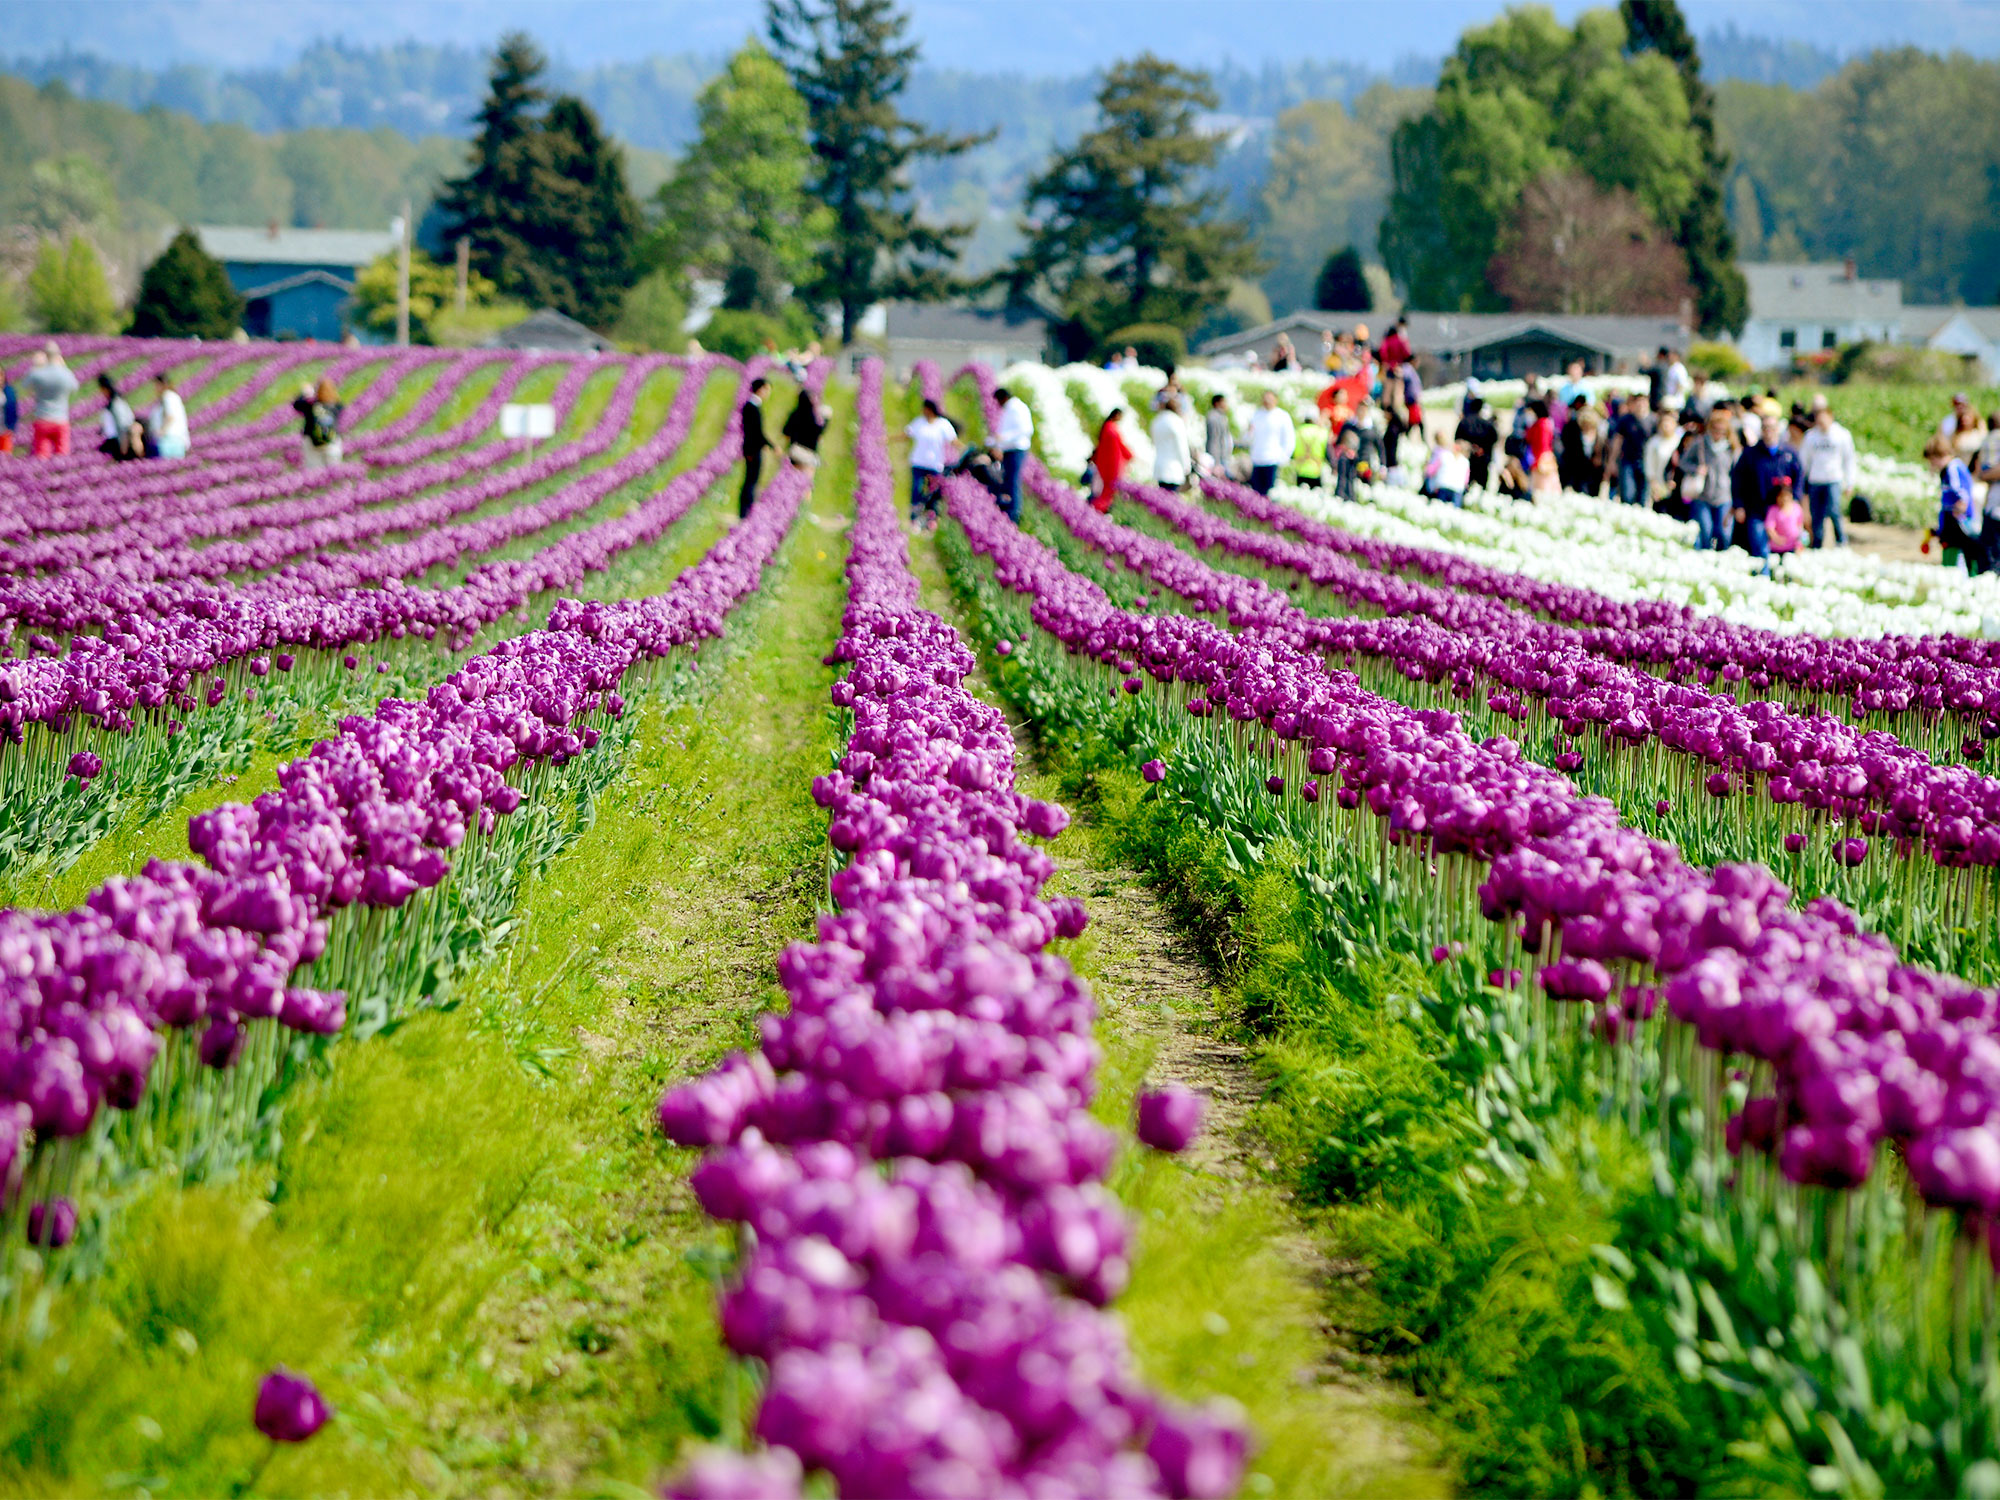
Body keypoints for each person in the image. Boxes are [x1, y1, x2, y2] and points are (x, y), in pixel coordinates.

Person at [1671, 408, 1735, 551]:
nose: (1718, 434)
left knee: (1723, 533)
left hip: (1724, 495)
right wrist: (1696, 469)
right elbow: (1683, 463)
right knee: (1706, 531)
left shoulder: (1731, 447)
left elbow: (1737, 472)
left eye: (1722, 431)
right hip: (1702, 495)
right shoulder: (1699, 444)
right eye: (1716, 430)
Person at [1797, 397, 1856, 549]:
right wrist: (1802, 481)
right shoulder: (1811, 436)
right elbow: (1804, 460)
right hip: (1816, 480)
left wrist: (1849, 482)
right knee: (1817, 515)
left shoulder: (1841, 435)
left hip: (1833, 478)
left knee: (1834, 510)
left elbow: (1849, 459)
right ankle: (1817, 544)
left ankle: (1840, 541)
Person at [1732, 414, 1777, 576]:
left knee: (1780, 550)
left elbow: (1798, 480)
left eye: (1772, 428)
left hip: (1779, 512)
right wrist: (1738, 505)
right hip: (1755, 510)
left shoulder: (1786, 454)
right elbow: (1737, 481)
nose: (1768, 432)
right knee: (1760, 548)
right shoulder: (1750, 454)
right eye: (1765, 428)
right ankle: (1763, 580)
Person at [1928, 434, 1980, 572]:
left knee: (1957, 553)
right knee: (1959, 553)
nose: (1932, 465)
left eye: (1932, 460)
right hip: (1951, 519)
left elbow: (1960, 492)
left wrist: (1959, 509)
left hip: (1957, 521)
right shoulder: (1951, 468)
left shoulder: (1952, 467)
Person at [906, 397, 956, 528]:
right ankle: (915, 516)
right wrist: (887, 439)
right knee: (917, 488)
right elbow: (906, 434)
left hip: (935, 464)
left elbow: (953, 440)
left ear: (929, 409)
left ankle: (931, 517)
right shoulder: (919, 422)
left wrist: (967, 449)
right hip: (918, 462)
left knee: (933, 491)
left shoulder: (943, 424)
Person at [25, 343, 78, 458]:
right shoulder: (65, 373)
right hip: (61, 419)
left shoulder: (37, 373)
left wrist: (37, 365)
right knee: (62, 455)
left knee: (41, 456)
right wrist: (63, 366)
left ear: (45, 355)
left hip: (42, 418)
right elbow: (75, 387)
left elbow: (26, 386)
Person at [993, 385, 1033, 524]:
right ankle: (1009, 511)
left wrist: (1003, 438)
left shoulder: (1016, 408)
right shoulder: (1010, 408)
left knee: (1014, 481)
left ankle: (1014, 514)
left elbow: (1025, 429)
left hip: (1016, 449)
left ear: (1003, 398)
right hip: (1010, 449)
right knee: (1009, 481)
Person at [1246, 389, 1295, 495]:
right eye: (1265, 399)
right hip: (1257, 459)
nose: (1267, 401)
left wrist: (1283, 457)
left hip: (1272, 459)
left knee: (1270, 493)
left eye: (1270, 399)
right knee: (1256, 493)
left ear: (1276, 400)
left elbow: (1289, 439)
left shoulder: (1282, 416)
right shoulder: (1257, 414)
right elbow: (1249, 437)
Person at [1606, 393, 1651, 506]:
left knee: (1643, 496)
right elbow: (1617, 441)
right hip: (1627, 460)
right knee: (1628, 495)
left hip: (1646, 462)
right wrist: (1612, 461)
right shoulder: (1626, 420)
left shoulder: (1653, 421)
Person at [737, 376, 772, 517]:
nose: (768, 393)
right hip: (752, 448)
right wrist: (769, 445)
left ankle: (747, 510)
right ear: (760, 389)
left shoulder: (753, 406)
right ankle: (745, 512)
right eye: (767, 389)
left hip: (753, 447)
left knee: (752, 480)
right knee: (751, 480)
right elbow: (755, 431)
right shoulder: (751, 407)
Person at [293, 377, 344, 469]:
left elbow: (296, 404)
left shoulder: (311, 405)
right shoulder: (337, 406)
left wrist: (305, 394)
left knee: (314, 470)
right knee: (334, 470)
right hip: (332, 441)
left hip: (312, 440)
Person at [1088, 407, 1133, 513]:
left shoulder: (1107, 427)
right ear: (1117, 415)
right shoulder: (1111, 429)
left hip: (1105, 461)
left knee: (1106, 488)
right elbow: (1119, 446)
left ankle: (1099, 508)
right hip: (1111, 462)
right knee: (1109, 487)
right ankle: (1100, 508)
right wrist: (1129, 455)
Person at [1557, 401, 1605, 496]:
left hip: (1594, 472)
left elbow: (1603, 453)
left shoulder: (1600, 437)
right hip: (1578, 472)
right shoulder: (1574, 435)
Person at [1150, 395, 1193, 492]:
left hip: (1159, 466)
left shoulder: (1156, 421)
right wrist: (1187, 466)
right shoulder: (1176, 422)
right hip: (1174, 468)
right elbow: (1182, 447)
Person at [1455, 400, 1498, 492]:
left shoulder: (1464, 422)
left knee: (1466, 486)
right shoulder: (1487, 424)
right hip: (1482, 458)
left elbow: (1457, 440)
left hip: (1467, 459)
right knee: (1481, 487)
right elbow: (1494, 439)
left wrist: (1471, 448)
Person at [96, 373, 140, 460]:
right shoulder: (115, 402)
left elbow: (122, 424)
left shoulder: (116, 403)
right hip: (115, 440)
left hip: (118, 441)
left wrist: (124, 444)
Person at [783, 388, 827, 473]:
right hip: (809, 454)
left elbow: (786, 432)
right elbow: (820, 434)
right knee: (805, 481)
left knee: (791, 477)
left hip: (795, 451)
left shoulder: (794, 415)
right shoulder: (815, 418)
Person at [147, 372, 189, 459]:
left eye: (156, 385)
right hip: (175, 439)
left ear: (162, 384)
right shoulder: (171, 397)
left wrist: (161, 431)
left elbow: (170, 417)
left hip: (170, 439)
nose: (155, 388)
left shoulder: (168, 396)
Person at [1769, 476, 1805, 559]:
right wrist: (1776, 539)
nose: (1784, 499)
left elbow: (1800, 527)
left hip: (1793, 546)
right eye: (1781, 497)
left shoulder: (1797, 508)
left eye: (1787, 496)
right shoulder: (1773, 510)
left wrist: (1800, 544)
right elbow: (1770, 528)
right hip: (1777, 548)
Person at [1292, 409, 1329, 489]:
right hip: (1316, 471)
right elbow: (1328, 452)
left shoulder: (1297, 431)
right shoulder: (1322, 432)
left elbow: (1291, 452)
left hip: (1300, 470)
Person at [1204, 393, 1232, 475]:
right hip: (1218, 458)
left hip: (1223, 456)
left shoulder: (1222, 417)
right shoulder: (1213, 417)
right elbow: (1214, 440)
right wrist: (1216, 461)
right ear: (1217, 403)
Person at [0, 365, 15, 455]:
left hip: (5, 430)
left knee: (6, 455)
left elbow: (12, 410)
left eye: (1, 375)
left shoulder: (8, 391)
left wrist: (11, 426)